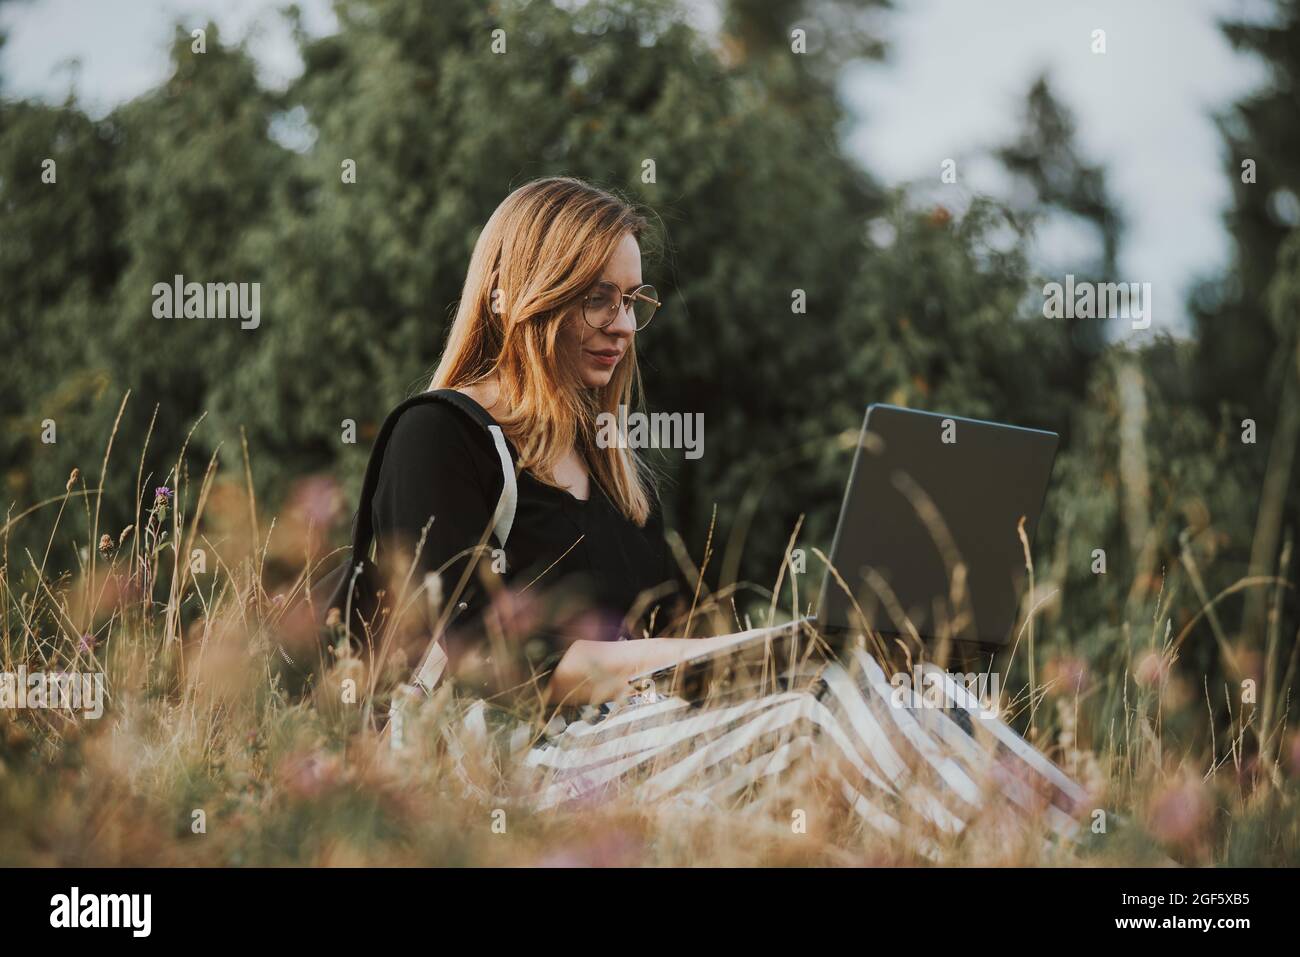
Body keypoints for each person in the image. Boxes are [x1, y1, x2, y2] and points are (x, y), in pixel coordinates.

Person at [369, 176, 1089, 851]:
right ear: (512, 294)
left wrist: (771, 654)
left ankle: (1102, 847)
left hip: (620, 736)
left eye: (632, 301)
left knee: (903, 682)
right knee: (819, 707)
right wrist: (757, 656)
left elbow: (652, 657)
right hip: (515, 760)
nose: (621, 325)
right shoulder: (443, 435)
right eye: (596, 297)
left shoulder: (616, 476)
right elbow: (484, 664)